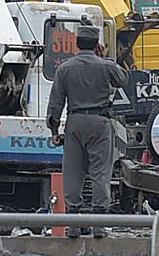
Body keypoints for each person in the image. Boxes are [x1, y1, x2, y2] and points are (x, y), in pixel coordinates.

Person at [46, 24, 128, 239]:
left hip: (74, 122)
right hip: (100, 123)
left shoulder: (65, 68)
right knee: (101, 173)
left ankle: (73, 225)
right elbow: (123, 79)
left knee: (73, 172)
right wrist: (106, 58)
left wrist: (54, 129)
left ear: (76, 44)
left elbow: (56, 103)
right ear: (96, 45)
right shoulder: (105, 66)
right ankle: (99, 226)